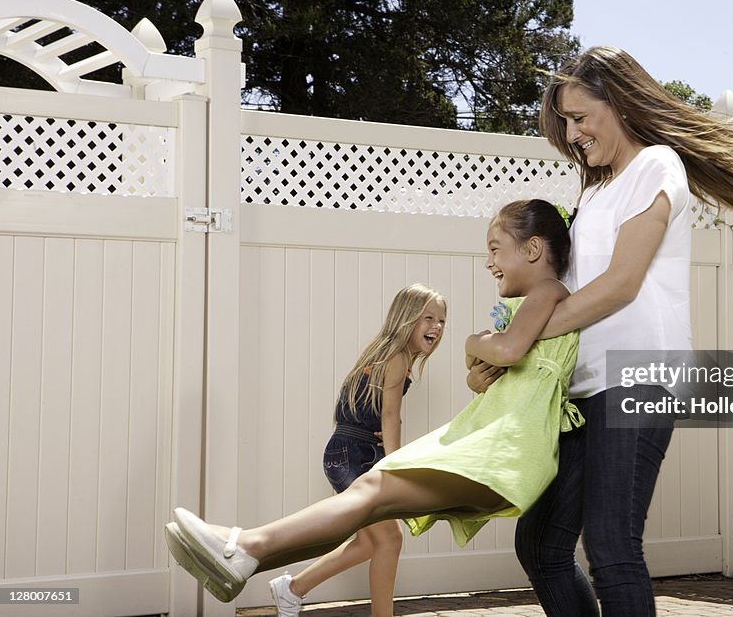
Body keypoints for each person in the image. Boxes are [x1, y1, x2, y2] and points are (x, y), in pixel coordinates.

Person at [468, 46, 733, 617]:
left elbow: (620, 284)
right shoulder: (594, 190)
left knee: (612, 546)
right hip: (583, 389)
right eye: (564, 122)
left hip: (641, 374)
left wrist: (519, 342)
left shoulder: (656, 165)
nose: (572, 134)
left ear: (616, 102)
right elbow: (557, 295)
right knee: (540, 545)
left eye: (579, 117)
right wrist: (498, 350)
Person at [164, 199, 583, 608]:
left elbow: (507, 350)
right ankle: (247, 559)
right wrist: (479, 366)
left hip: (507, 445)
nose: (489, 261)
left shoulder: (547, 290)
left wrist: (474, 342)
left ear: (532, 249)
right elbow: (500, 369)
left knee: (374, 493)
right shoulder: (525, 306)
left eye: (495, 249)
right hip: (497, 440)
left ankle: (244, 546)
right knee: (372, 500)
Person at [268, 283, 447, 617]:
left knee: (370, 542)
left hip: (351, 450)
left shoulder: (387, 354)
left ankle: (292, 589)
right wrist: (395, 466)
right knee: (390, 540)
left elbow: (378, 413)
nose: (436, 327)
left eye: (441, 321)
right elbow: (391, 416)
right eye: (428, 318)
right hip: (355, 454)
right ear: (406, 319)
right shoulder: (395, 358)